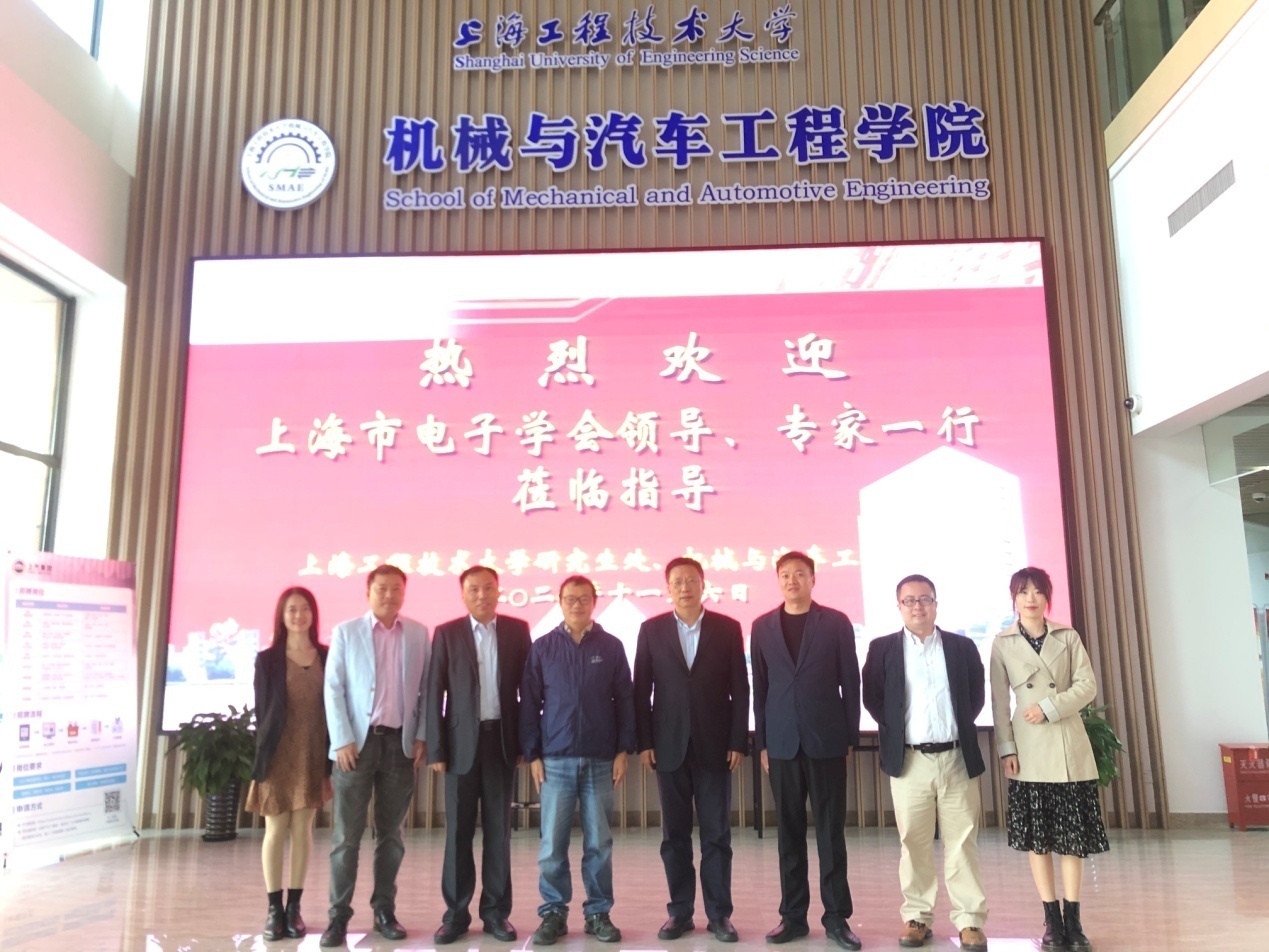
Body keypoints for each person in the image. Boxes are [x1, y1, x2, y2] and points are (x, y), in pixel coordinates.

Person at [861, 575, 989, 951]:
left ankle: (969, 921)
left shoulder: (962, 647)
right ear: (899, 606)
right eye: (909, 600)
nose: (918, 606)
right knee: (913, 842)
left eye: (925, 599)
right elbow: (874, 699)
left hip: (956, 758)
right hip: (909, 761)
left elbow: (975, 697)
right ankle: (917, 917)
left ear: (936, 604)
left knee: (962, 843)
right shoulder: (882, 648)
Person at [990, 567, 1108, 952]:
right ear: (1014, 598)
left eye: (1038, 591)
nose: (1030, 598)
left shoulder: (1067, 636)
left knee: (1072, 840)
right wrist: (1007, 749)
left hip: (1067, 744)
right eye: (1023, 591)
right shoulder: (1002, 642)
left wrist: (1049, 707)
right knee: (1038, 841)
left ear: (1047, 597)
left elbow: (1087, 686)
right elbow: (998, 702)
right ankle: (1052, 922)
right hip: (1028, 750)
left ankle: (1074, 921)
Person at [633, 557, 750, 943]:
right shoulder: (651, 630)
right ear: (668, 588)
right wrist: (645, 742)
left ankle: (719, 915)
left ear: (703, 584)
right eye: (677, 581)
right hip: (668, 746)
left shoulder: (727, 628)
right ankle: (680, 912)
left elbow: (740, 688)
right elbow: (641, 690)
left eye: (691, 580)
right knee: (675, 837)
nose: (684, 587)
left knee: (717, 835)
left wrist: (737, 740)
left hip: (715, 745)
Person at [751, 551, 862, 950]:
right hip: (782, 744)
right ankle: (793, 917)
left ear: (813, 579)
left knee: (831, 833)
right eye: (785, 574)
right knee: (789, 834)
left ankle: (836, 918)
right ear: (778, 580)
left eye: (800, 573)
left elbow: (850, 681)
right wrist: (762, 742)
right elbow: (760, 688)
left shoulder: (835, 622)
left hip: (826, 741)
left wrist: (849, 737)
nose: (792, 580)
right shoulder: (762, 626)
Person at [520, 575, 636, 946]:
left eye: (584, 598)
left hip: (601, 758)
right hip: (554, 759)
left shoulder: (611, 646)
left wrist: (623, 750)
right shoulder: (543, 647)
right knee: (552, 845)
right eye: (570, 599)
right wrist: (532, 754)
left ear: (594, 602)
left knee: (599, 842)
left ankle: (598, 912)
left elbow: (626, 700)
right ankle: (553, 912)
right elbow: (529, 704)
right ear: (559, 601)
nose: (577, 605)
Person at [320, 565, 431, 948]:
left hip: (400, 746)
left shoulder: (418, 633)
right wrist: (341, 740)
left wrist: (421, 735)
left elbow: (427, 690)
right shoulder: (347, 632)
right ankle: (338, 917)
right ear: (368, 592)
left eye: (395, 588)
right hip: (356, 747)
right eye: (381, 588)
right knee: (345, 837)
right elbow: (333, 688)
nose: (388, 595)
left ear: (404, 593)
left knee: (392, 836)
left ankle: (385, 910)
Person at [426, 566, 531, 944]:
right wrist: (436, 748)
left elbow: (528, 691)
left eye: (488, 588)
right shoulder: (447, 633)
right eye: (474, 589)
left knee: (498, 833)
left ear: (499, 591)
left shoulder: (517, 631)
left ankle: (496, 914)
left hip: (501, 743)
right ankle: (455, 915)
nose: (482, 595)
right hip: (459, 747)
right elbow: (434, 691)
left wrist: (525, 743)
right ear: (463, 594)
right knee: (458, 833)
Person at [247, 587, 330, 941]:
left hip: (313, 751)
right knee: (275, 829)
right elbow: (262, 711)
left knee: (302, 830)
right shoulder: (267, 660)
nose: (299, 615)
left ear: (314, 614)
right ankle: (273, 909)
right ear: (282, 616)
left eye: (305, 609)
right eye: (292, 609)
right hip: (278, 753)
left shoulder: (327, 655)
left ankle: (294, 908)